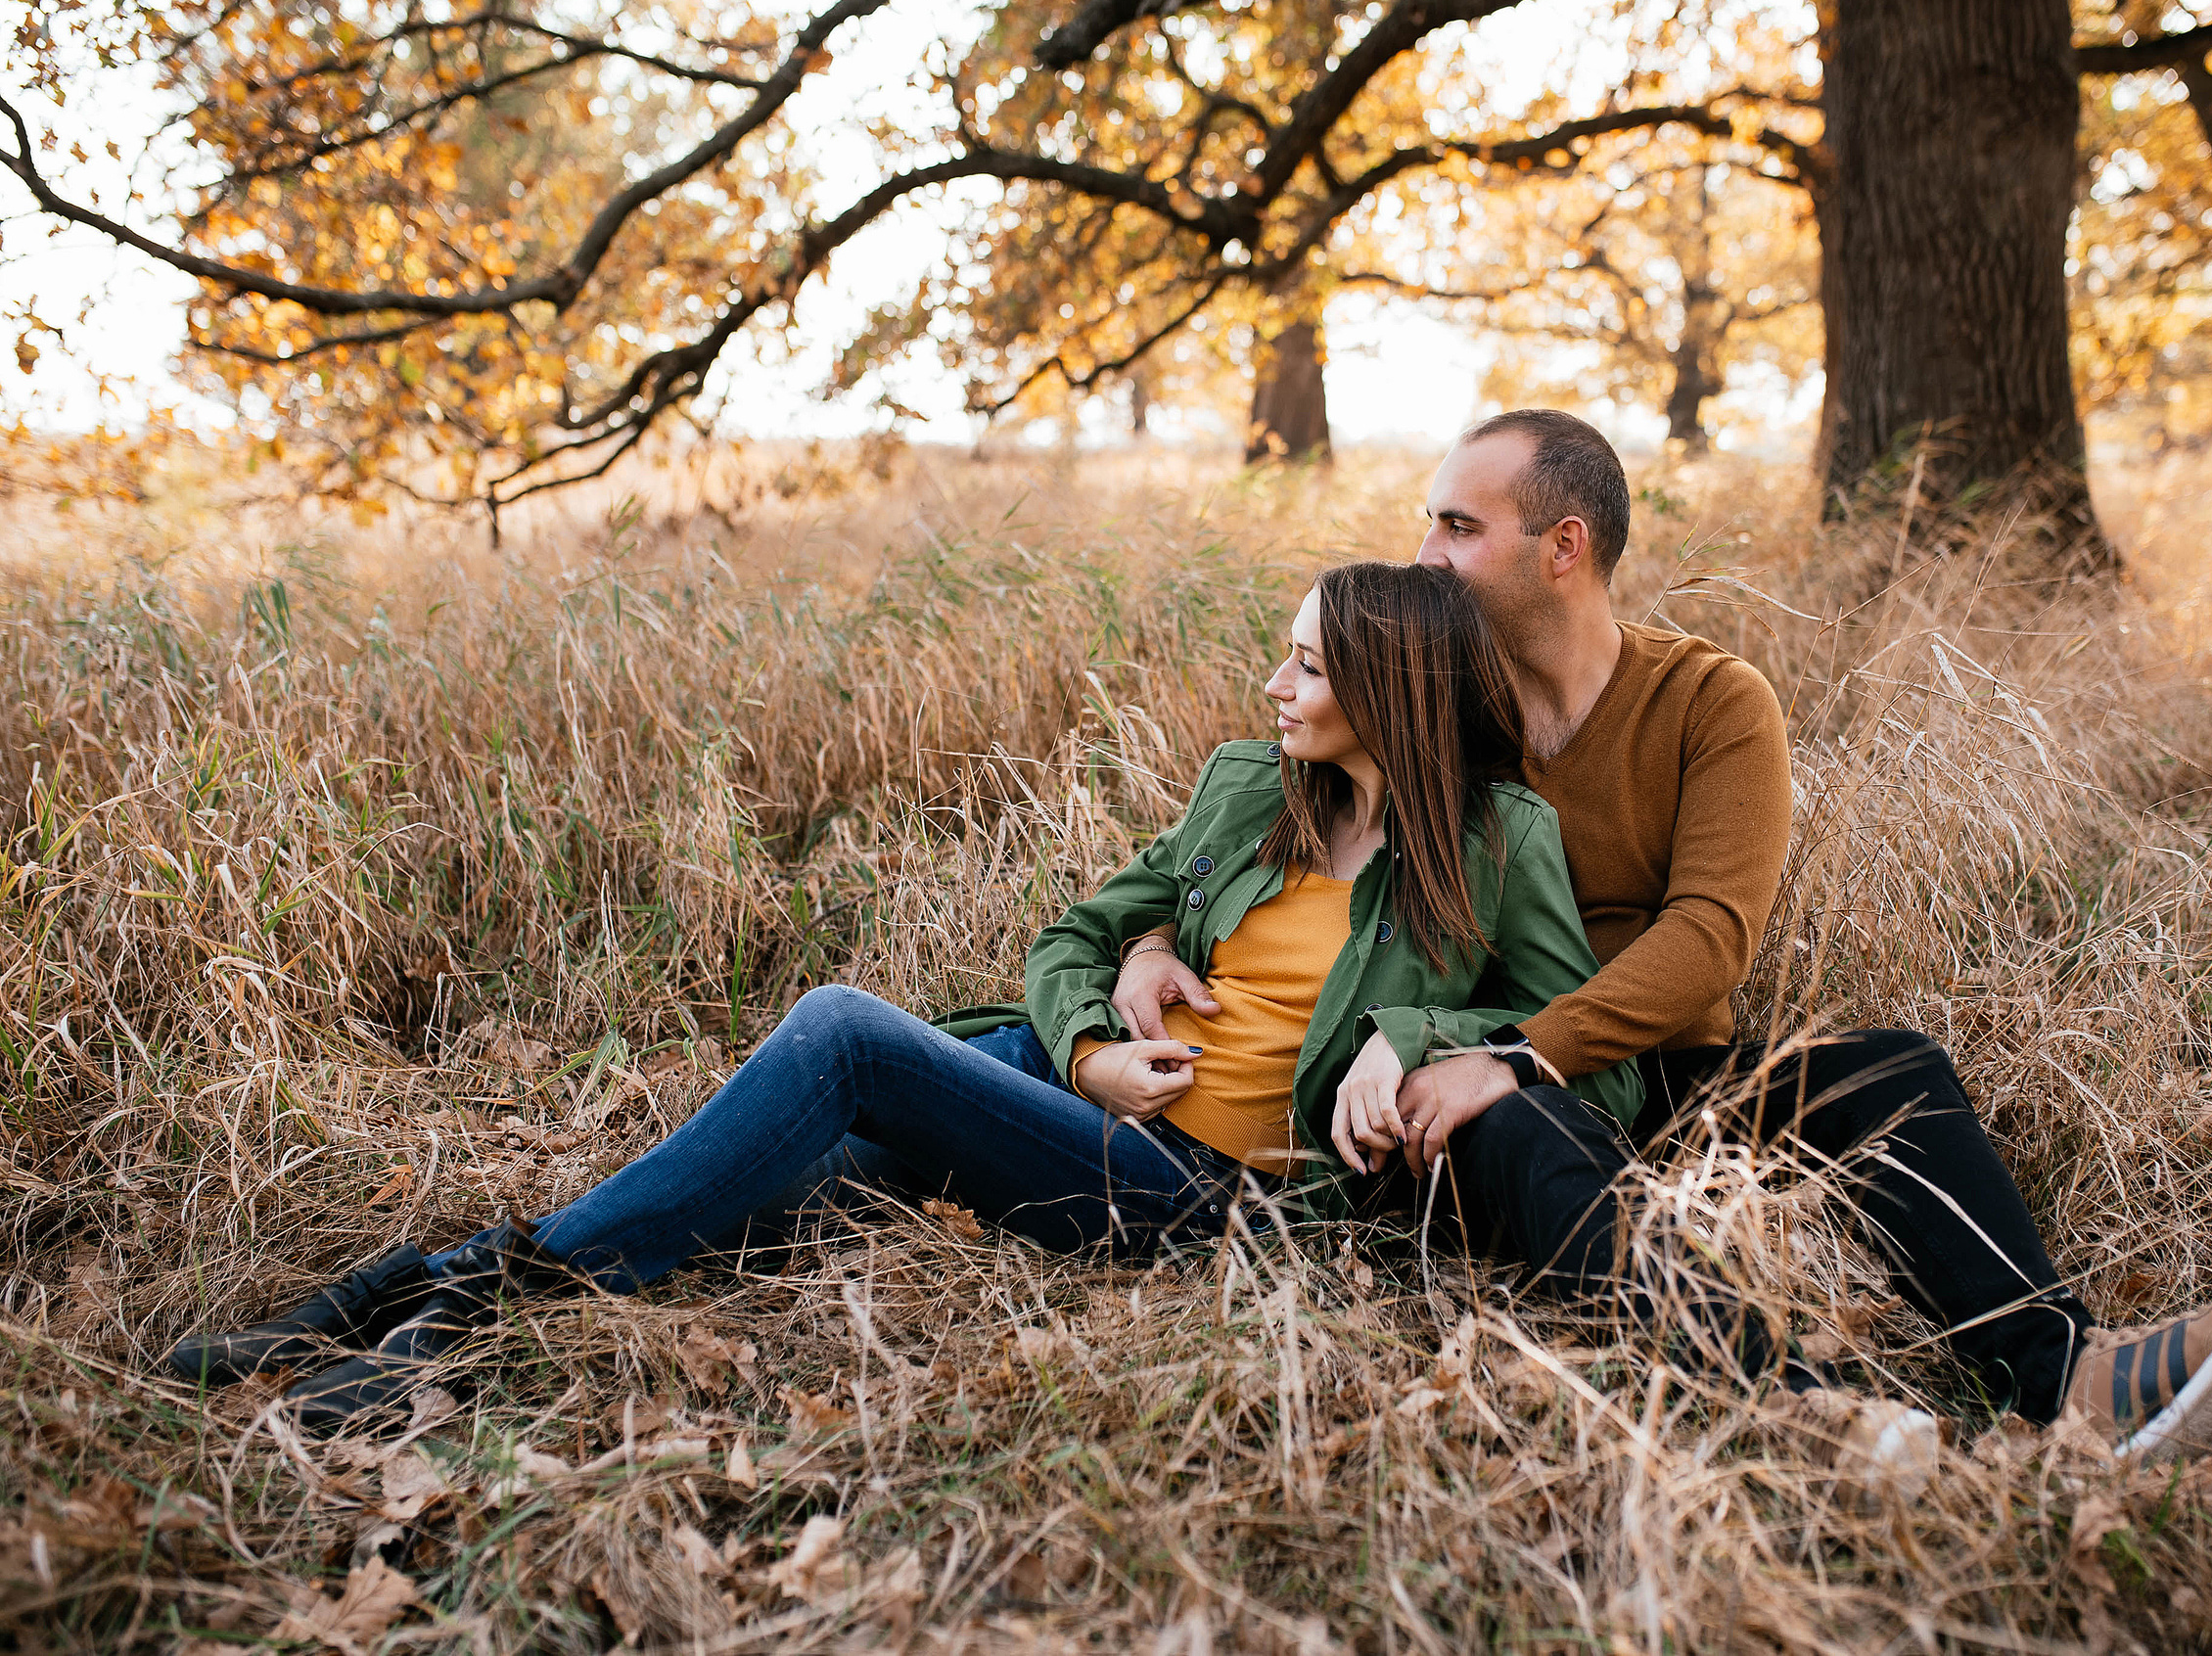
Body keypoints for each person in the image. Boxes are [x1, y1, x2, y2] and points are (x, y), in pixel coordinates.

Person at [162, 562, 1648, 1433]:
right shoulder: (1251, 784)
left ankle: (471, 1286)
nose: (1273, 680)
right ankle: (427, 1337)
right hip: (1090, 1105)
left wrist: (1422, 1036)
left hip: (1210, 1197)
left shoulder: (1498, 845)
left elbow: (1597, 1062)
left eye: (1307, 662)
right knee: (801, 1182)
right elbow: (1083, 928)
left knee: (842, 1033)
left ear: (1387, 686)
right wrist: (1090, 1027)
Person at [1114, 410, 2212, 1459]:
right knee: (1515, 1124)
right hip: (1451, 1083)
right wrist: (1146, 945)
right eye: (1428, 521)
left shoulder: (1709, 702)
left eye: (1455, 526)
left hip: (1642, 1071)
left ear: (1563, 546)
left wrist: (1529, 1048)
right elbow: (1260, 856)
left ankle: (2066, 1378)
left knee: (1886, 1067)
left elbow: (1711, 938)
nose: (1421, 553)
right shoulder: (1428, 699)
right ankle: (1793, 1416)